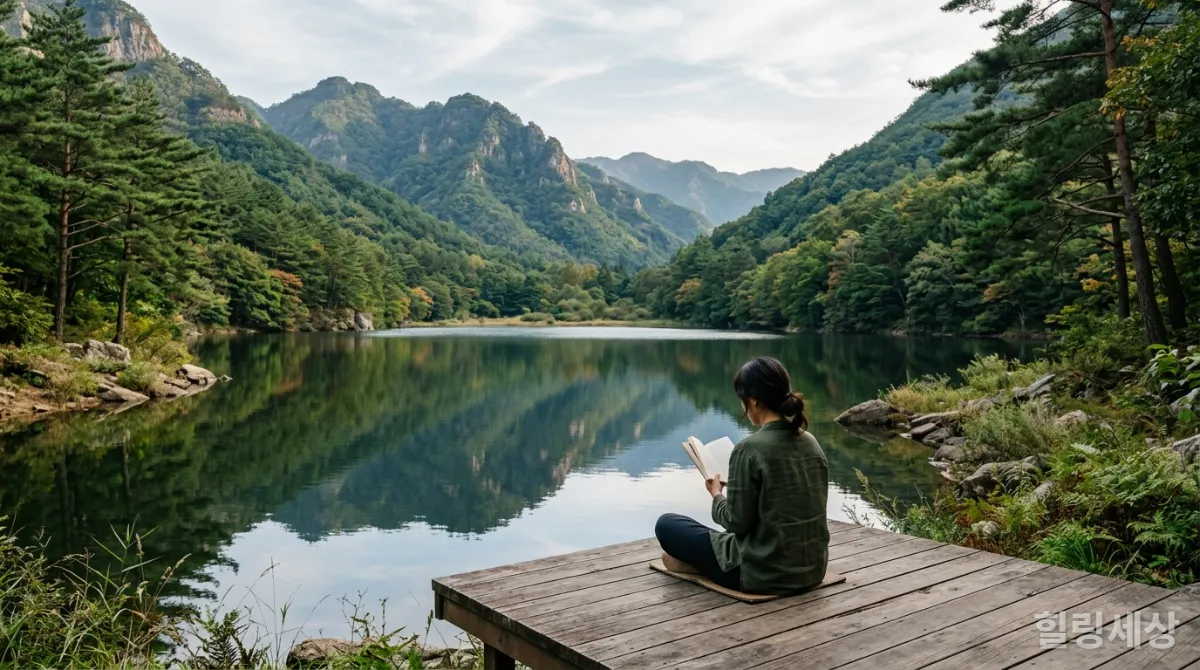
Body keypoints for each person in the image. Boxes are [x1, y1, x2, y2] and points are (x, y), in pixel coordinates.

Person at [655, 357, 830, 595]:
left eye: (742, 400)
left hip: (763, 572)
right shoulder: (811, 442)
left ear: (754, 400)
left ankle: (699, 566)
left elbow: (737, 522)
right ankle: (699, 564)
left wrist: (717, 494)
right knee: (718, 539)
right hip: (811, 569)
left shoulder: (749, 449)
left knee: (667, 524)